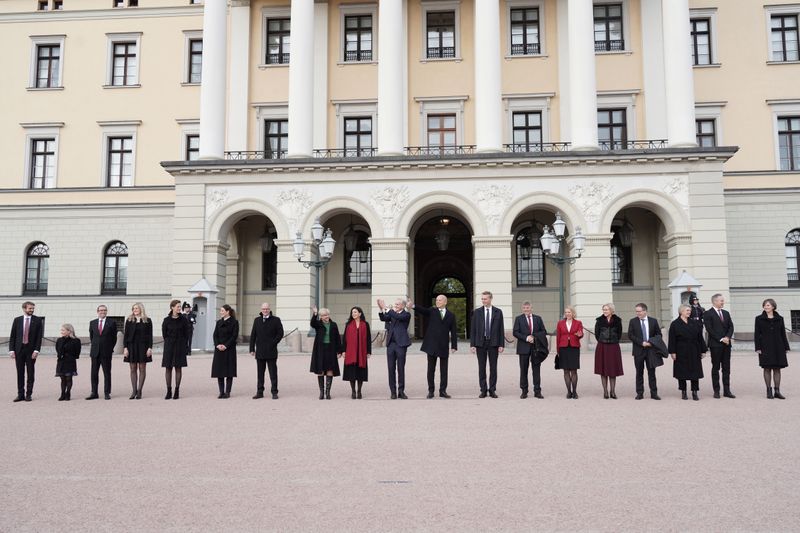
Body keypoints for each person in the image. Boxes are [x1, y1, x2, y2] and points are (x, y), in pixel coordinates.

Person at [411, 295, 458, 399]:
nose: (437, 301)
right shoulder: (432, 311)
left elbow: (453, 331)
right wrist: (413, 306)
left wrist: (454, 346)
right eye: (436, 300)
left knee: (444, 370)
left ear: (445, 302)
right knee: (431, 369)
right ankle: (431, 391)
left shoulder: (451, 315)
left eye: (439, 300)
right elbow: (423, 311)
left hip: (443, 346)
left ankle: (443, 391)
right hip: (431, 345)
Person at [669, 304, 708, 400]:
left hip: (694, 349)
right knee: (682, 372)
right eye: (687, 310)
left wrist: (703, 350)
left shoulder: (695, 323)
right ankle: (683, 391)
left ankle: (694, 392)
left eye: (689, 310)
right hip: (681, 350)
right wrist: (672, 352)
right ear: (681, 311)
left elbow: (700, 337)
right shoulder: (675, 324)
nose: (689, 312)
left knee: (695, 372)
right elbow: (672, 339)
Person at [470, 291, 505, 398]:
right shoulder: (477, 312)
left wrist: (501, 344)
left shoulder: (498, 312)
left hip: (493, 343)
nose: (483, 300)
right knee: (482, 367)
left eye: (485, 299)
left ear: (490, 299)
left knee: (493, 367)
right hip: (480, 343)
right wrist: (472, 344)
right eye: (482, 299)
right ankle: (483, 390)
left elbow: (501, 329)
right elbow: (473, 329)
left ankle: (492, 390)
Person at [754, 298, 791, 399]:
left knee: (777, 369)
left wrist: (786, 347)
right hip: (765, 346)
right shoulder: (758, 318)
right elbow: (757, 334)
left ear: (773, 306)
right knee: (766, 368)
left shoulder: (780, 318)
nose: (766, 307)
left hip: (778, 346)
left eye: (768, 305)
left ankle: (777, 391)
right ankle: (768, 391)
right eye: (765, 305)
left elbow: (783, 333)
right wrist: (757, 347)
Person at [9, 301, 44, 402]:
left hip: (31, 351)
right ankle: (20, 394)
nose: (32, 310)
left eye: (33, 308)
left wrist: (37, 350)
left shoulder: (37, 320)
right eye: (30, 308)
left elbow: (39, 337)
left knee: (30, 372)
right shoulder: (17, 320)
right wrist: (11, 350)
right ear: (24, 309)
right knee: (20, 373)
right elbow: (13, 336)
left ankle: (28, 394)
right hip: (19, 350)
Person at [512, 301, 548, 399]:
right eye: (524, 308)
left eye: (528, 308)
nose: (526, 309)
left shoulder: (538, 318)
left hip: (536, 348)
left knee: (536, 370)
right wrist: (526, 338)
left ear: (531, 308)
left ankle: (537, 391)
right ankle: (524, 391)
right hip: (523, 348)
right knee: (523, 370)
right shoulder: (518, 319)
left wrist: (534, 337)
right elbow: (515, 332)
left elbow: (544, 331)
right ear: (522, 309)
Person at [703, 293, 735, 399]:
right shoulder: (708, 313)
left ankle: (727, 390)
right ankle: (716, 390)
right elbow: (709, 329)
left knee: (726, 368)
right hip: (715, 345)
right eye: (721, 300)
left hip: (727, 345)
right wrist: (721, 339)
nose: (723, 302)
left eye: (723, 300)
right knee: (715, 368)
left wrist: (728, 337)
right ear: (715, 301)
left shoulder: (726, 313)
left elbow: (731, 326)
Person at [627, 303, 663, 400]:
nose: (637, 313)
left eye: (639, 311)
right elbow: (630, 335)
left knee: (652, 372)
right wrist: (641, 343)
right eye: (636, 311)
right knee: (639, 372)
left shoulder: (653, 321)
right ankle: (640, 393)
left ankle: (654, 393)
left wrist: (652, 343)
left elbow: (658, 334)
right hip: (638, 350)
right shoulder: (633, 321)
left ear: (645, 311)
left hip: (651, 351)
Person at [249, 302, 284, 399]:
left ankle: (274, 392)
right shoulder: (257, 320)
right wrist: (252, 348)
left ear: (269, 309)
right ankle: (260, 392)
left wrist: (273, 343)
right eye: (263, 309)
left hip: (271, 350)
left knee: (273, 373)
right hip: (260, 351)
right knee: (260, 373)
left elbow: (280, 333)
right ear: (261, 310)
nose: (265, 310)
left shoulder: (276, 320)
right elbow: (253, 335)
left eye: (267, 309)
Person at [378, 298, 411, 399]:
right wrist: (381, 309)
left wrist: (386, 308)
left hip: (401, 344)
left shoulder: (406, 314)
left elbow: (397, 316)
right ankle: (393, 391)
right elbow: (383, 318)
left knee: (401, 368)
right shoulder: (392, 314)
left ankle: (401, 391)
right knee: (391, 368)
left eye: (397, 304)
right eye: (395, 304)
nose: (395, 306)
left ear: (403, 306)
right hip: (391, 345)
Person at [309, 306, 342, 400]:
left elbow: (338, 338)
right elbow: (312, 323)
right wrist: (315, 313)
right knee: (321, 370)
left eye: (327, 314)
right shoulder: (318, 324)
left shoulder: (334, 324)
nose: (326, 316)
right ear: (321, 316)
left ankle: (328, 393)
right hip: (320, 349)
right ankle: (321, 392)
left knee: (330, 369)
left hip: (331, 349)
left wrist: (339, 350)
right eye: (324, 315)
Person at [86, 304, 117, 400]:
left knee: (107, 373)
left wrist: (110, 348)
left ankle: (107, 392)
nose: (102, 312)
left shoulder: (111, 323)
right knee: (94, 373)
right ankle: (94, 392)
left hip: (106, 352)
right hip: (95, 352)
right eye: (100, 310)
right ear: (97, 312)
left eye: (104, 310)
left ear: (106, 312)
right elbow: (92, 337)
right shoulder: (92, 323)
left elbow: (114, 338)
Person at [162, 299, 191, 400]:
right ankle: (168, 390)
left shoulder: (184, 319)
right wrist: (169, 342)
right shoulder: (166, 320)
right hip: (169, 345)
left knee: (178, 368)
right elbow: (164, 334)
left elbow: (187, 334)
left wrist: (185, 346)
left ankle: (177, 390)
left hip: (180, 345)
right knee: (168, 368)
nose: (179, 308)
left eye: (180, 307)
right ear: (172, 307)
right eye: (178, 306)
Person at [123, 303, 153, 400]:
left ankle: (140, 390)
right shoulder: (129, 320)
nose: (135, 310)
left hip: (143, 346)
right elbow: (126, 335)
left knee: (142, 368)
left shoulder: (147, 320)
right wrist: (125, 348)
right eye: (133, 308)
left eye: (136, 308)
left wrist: (149, 348)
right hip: (131, 346)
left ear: (141, 309)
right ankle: (134, 390)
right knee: (132, 368)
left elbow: (150, 335)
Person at [594, 303, 624, 399]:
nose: (605, 311)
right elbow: (597, 334)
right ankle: (605, 392)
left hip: (613, 347)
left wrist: (613, 340)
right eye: (603, 310)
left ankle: (613, 391)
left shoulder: (618, 320)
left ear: (611, 310)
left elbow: (619, 333)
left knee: (613, 369)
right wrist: (603, 340)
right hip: (602, 346)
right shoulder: (599, 320)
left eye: (606, 309)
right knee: (603, 369)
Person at [342, 306, 371, 399]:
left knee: (360, 372)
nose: (353, 314)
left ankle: (359, 391)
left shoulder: (365, 324)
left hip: (361, 352)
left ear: (360, 313)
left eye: (355, 312)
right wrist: (343, 350)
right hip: (351, 352)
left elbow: (368, 338)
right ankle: (353, 391)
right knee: (352, 372)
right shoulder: (348, 324)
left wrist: (368, 351)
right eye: (352, 312)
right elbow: (344, 339)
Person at [556, 306, 583, 399]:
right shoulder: (560, 323)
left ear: (573, 313)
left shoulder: (578, 323)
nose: (567, 314)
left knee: (574, 370)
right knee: (566, 371)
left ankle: (575, 392)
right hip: (563, 348)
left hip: (574, 348)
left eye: (569, 312)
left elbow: (580, 333)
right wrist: (558, 350)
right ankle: (569, 392)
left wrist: (580, 335)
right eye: (566, 312)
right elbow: (558, 337)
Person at [211, 304, 239, 399]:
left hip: (229, 349)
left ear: (227, 312)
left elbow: (234, 336)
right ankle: (221, 392)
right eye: (221, 310)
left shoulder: (234, 322)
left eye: (222, 311)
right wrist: (217, 345)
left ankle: (227, 392)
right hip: (219, 349)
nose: (221, 312)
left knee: (229, 371)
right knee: (219, 371)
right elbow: (215, 335)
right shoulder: (218, 322)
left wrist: (226, 345)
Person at [55, 324, 81, 401]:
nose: (61, 332)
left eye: (63, 330)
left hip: (70, 361)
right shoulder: (59, 340)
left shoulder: (76, 341)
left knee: (69, 378)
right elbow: (57, 349)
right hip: (61, 361)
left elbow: (77, 352)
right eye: (61, 330)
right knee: (62, 378)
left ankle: (68, 393)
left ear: (69, 331)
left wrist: (70, 356)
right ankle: (62, 393)